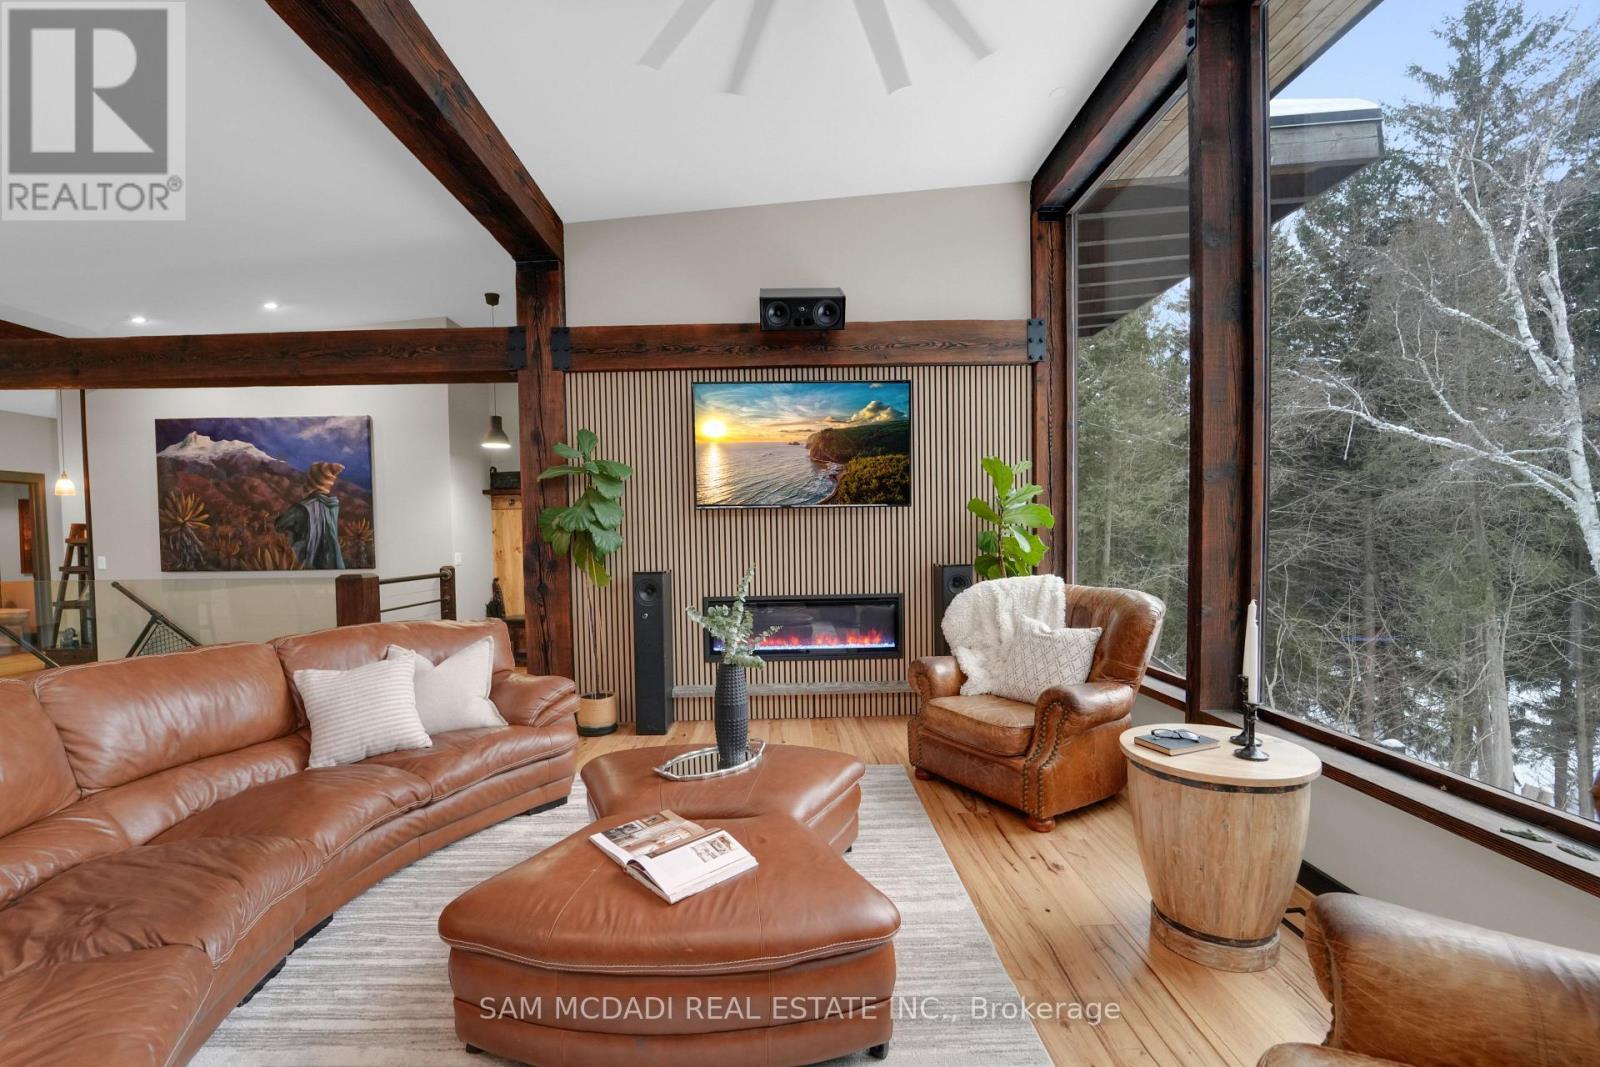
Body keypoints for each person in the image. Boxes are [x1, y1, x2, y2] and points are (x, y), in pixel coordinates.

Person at [275, 461, 345, 569]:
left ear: (313, 482)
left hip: (305, 562)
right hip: (331, 562)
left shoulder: (302, 508)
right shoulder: (333, 506)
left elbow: (279, 525)